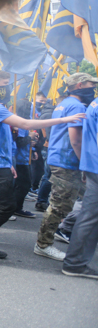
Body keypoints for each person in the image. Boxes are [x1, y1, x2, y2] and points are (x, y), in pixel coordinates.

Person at [0, 70, 85, 267]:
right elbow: (25, 123)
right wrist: (63, 120)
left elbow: (2, 137)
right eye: (5, 82)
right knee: (6, 206)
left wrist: (9, 162)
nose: (8, 87)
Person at [34, 73, 96, 261]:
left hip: (60, 158)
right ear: (79, 85)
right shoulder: (76, 106)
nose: (93, 88)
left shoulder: (64, 103)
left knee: (72, 202)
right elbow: (75, 139)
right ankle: (43, 244)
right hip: (67, 160)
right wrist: (84, 164)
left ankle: (63, 231)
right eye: (90, 84)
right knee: (60, 205)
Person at [62, 89, 98, 278]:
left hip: (93, 164)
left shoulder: (94, 104)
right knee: (90, 217)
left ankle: (75, 262)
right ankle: (75, 263)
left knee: (90, 216)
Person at [12, 99, 37, 218]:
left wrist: (33, 147)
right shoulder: (19, 123)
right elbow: (19, 142)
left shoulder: (24, 122)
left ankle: (16, 207)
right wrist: (29, 138)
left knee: (24, 184)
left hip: (24, 157)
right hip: (19, 159)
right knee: (23, 184)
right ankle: (15, 208)